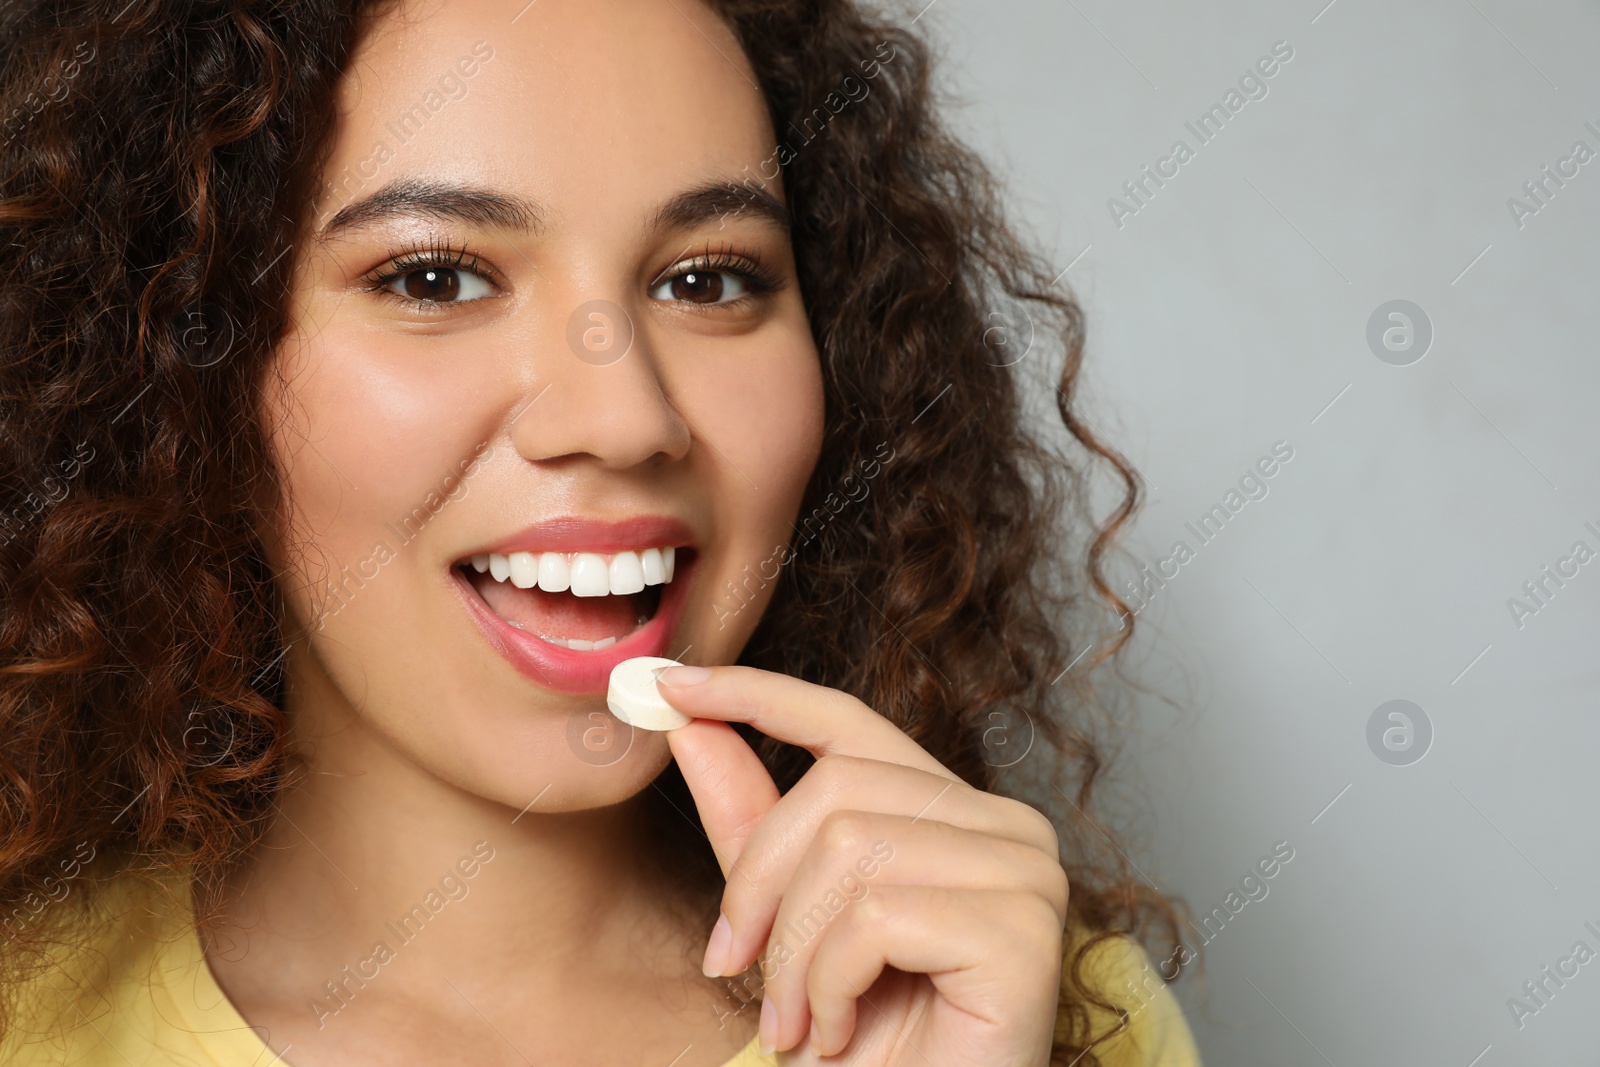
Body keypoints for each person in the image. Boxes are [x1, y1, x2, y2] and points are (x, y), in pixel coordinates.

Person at [0, 0, 1202, 1063]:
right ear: (180, 366)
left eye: (708, 279)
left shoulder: (1027, 1007)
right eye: (434, 279)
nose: (625, 416)